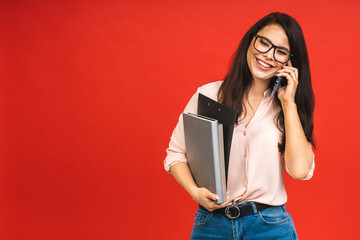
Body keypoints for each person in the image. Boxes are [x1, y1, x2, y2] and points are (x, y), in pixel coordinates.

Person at [164, 12, 315, 239]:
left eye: (280, 51)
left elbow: (300, 170)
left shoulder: (288, 107)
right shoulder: (209, 95)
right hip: (211, 225)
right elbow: (175, 154)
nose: (268, 55)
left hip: (269, 227)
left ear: (290, 62)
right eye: (264, 42)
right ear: (251, 40)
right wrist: (194, 192)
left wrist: (287, 103)